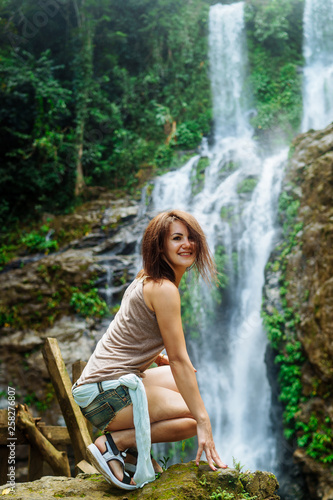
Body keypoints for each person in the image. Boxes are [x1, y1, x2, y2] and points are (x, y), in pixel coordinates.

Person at [72, 209, 227, 491]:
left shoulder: (146, 278)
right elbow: (180, 359)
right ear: (159, 245)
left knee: (182, 378)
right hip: (106, 396)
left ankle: (131, 453)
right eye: (177, 238)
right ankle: (114, 444)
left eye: (191, 237)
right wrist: (204, 422)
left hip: (97, 387)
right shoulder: (164, 289)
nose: (187, 244)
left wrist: (155, 357)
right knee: (193, 417)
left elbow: (129, 327)